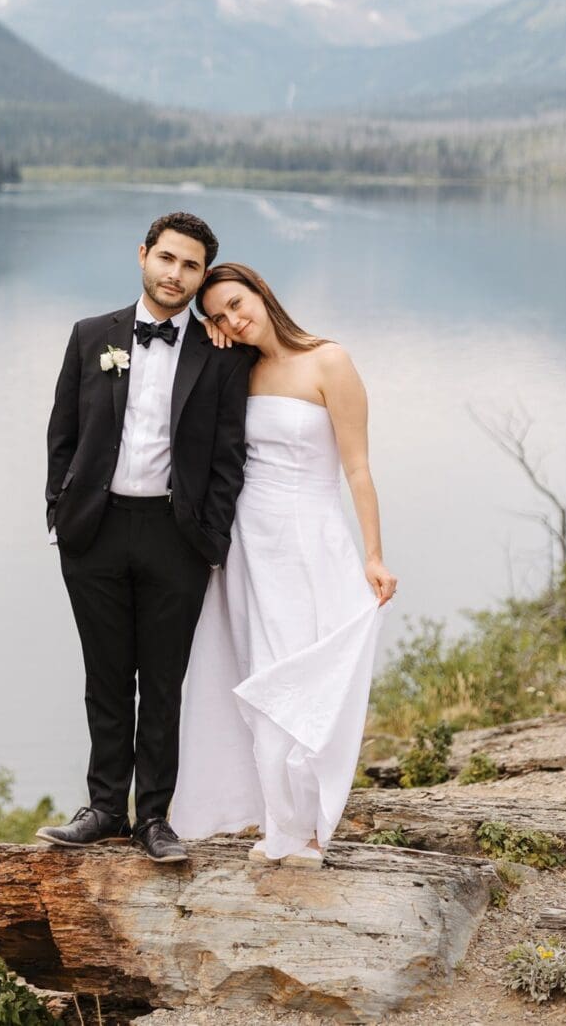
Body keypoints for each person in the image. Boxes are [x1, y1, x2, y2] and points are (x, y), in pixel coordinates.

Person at [37, 213, 254, 863]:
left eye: (190, 266)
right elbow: (62, 432)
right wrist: (59, 514)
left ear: (201, 276)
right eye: (166, 258)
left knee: (162, 683)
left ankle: (154, 818)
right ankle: (104, 808)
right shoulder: (90, 335)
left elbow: (228, 458)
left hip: (174, 537)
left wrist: (208, 540)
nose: (174, 274)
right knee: (105, 677)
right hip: (94, 533)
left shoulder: (221, 354)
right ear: (143, 255)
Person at [170, 261, 398, 866]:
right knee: (258, 673)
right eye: (217, 317)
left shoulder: (329, 360)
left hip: (308, 537)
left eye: (236, 304)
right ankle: (280, 825)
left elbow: (357, 468)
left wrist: (374, 555)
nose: (232, 320)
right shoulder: (236, 369)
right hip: (248, 542)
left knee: (305, 672)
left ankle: (314, 825)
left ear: (261, 292)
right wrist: (208, 342)